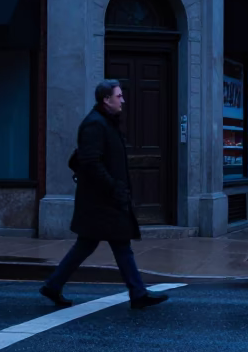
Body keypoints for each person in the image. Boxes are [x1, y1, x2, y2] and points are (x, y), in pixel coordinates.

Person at [39, 80, 169, 309]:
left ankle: (54, 285)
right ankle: (137, 293)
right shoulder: (95, 125)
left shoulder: (106, 123)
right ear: (106, 100)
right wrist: (113, 187)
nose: (123, 100)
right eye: (119, 96)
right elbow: (90, 162)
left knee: (102, 244)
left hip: (104, 199)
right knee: (111, 243)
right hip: (101, 200)